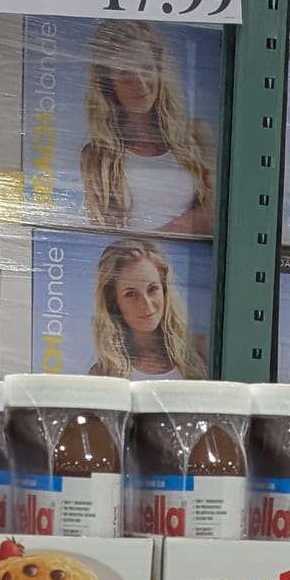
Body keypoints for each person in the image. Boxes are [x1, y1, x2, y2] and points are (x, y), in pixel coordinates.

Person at [78, 25, 216, 235]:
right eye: (125, 73)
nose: (140, 83)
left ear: (159, 71)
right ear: (107, 82)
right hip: (135, 257)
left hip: (183, 257)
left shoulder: (196, 135)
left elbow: (216, 216)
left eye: (147, 69)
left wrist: (147, 241)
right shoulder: (97, 156)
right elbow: (105, 235)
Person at [88, 238, 206, 379]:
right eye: (131, 294)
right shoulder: (103, 372)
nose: (146, 304)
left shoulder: (200, 351)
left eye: (153, 289)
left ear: (165, 290)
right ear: (114, 303)